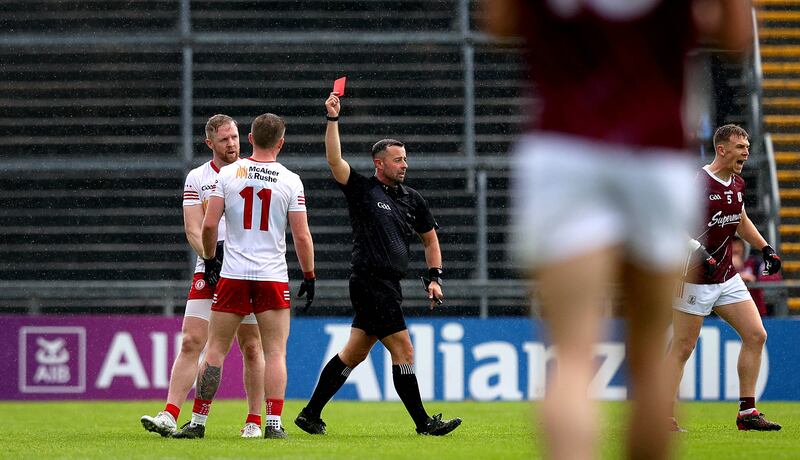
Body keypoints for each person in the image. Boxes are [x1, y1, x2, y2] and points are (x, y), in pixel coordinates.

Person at [481, 1, 751, 459]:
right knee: (647, 359)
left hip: (564, 152)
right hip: (655, 157)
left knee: (571, 354)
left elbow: (500, 24)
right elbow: (735, 38)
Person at [293, 93, 461, 437]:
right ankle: (424, 423)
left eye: (405, 159)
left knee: (352, 354)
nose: (404, 164)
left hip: (389, 284)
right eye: (397, 160)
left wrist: (434, 278)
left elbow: (430, 240)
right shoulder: (363, 190)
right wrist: (333, 120)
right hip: (370, 281)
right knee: (404, 349)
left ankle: (310, 414)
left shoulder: (413, 199)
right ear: (379, 163)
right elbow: (334, 159)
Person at [172, 113, 316, 439]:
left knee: (215, 350)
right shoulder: (290, 180)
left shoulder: (228, 174)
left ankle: (198, 422)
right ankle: (274, 424)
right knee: (274, 352)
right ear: (281, 142)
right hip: (272, 276)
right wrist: (309, 275)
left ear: (249, 138)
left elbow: (208, 226)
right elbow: (302, 236)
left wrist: (210, 258)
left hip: (233, 274)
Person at [140, 114, 265, 438]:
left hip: (245, 266)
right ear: (210, 143)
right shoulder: (197, 177)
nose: (232, 144)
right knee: (191, 340)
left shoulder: (254, 172)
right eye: (224, 139)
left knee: (251, 346)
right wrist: (210, 259)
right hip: (210, 265)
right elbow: (192, 227)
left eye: (236, 137)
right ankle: (169, 414)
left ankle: (253, 421)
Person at [667, 124, 782, 432]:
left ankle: (747, 413)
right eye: (740, 146)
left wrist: (765, 247)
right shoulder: (699, 182)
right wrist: (696, 249)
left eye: (747, 145)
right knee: (682, 347)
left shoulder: (737, 183)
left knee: (756, 334)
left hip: (726, 276)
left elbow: (740, 220)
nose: (746, 150)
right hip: (694, 278)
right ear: (722, 149)